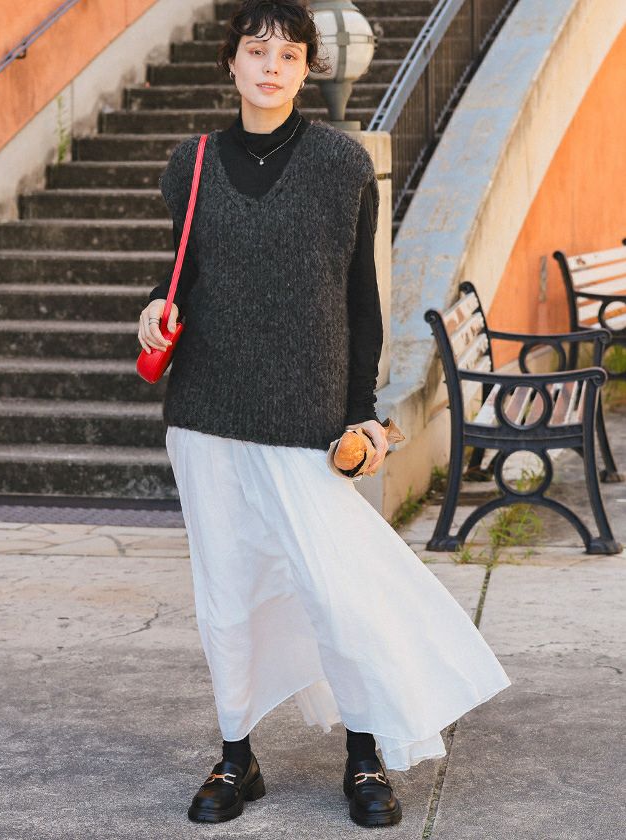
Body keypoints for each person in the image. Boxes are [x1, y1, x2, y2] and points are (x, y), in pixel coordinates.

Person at [138, 0, 511, 829]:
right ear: (231, 62)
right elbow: (183, 276)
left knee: (340, 594)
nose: (271, 67)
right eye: (256, 50)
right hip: (205, 410)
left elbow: (359, 298)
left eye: (288, 55)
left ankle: (364, 751)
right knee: (227, 595)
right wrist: (152, 309)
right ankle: (236, 755)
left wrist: (361, 414)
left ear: (310, 69)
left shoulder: (341, 164)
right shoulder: (189, 163)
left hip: (308, 418)